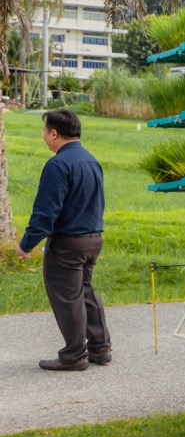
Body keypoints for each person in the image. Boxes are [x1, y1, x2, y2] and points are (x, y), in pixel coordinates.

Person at [16, 109, 111, 371]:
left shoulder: (58, 164)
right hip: (93, 238)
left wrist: (26, 244)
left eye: (45, 132)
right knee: (85, 290)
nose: (44, 137)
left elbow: (46, 212)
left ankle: (74, 356)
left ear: (54, 133)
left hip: (68, 242)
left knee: (68, 297)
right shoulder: (91, 161)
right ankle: (100, 348)